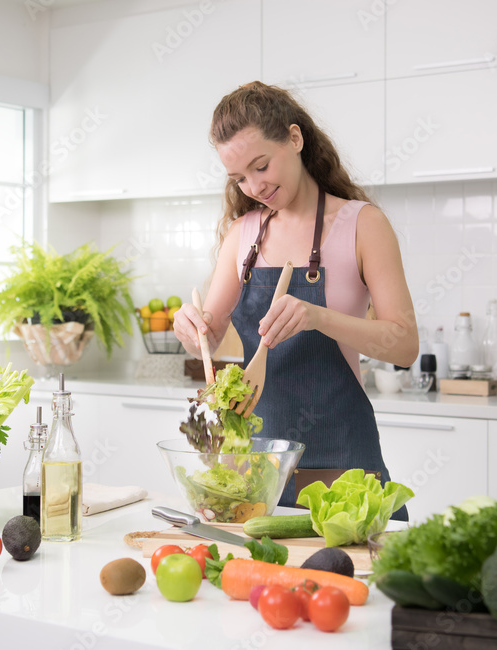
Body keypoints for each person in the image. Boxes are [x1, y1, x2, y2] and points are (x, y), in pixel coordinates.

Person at [172, 81, 418, 516]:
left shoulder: (363, 225)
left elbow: (403, 346)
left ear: (295, 138)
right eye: (239, 178)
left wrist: (317, 317)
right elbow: (207, 340)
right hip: (256, 473)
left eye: (261, 166)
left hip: (345, 471)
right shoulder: (243, 234)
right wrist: (192, 329)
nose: (254, 186)